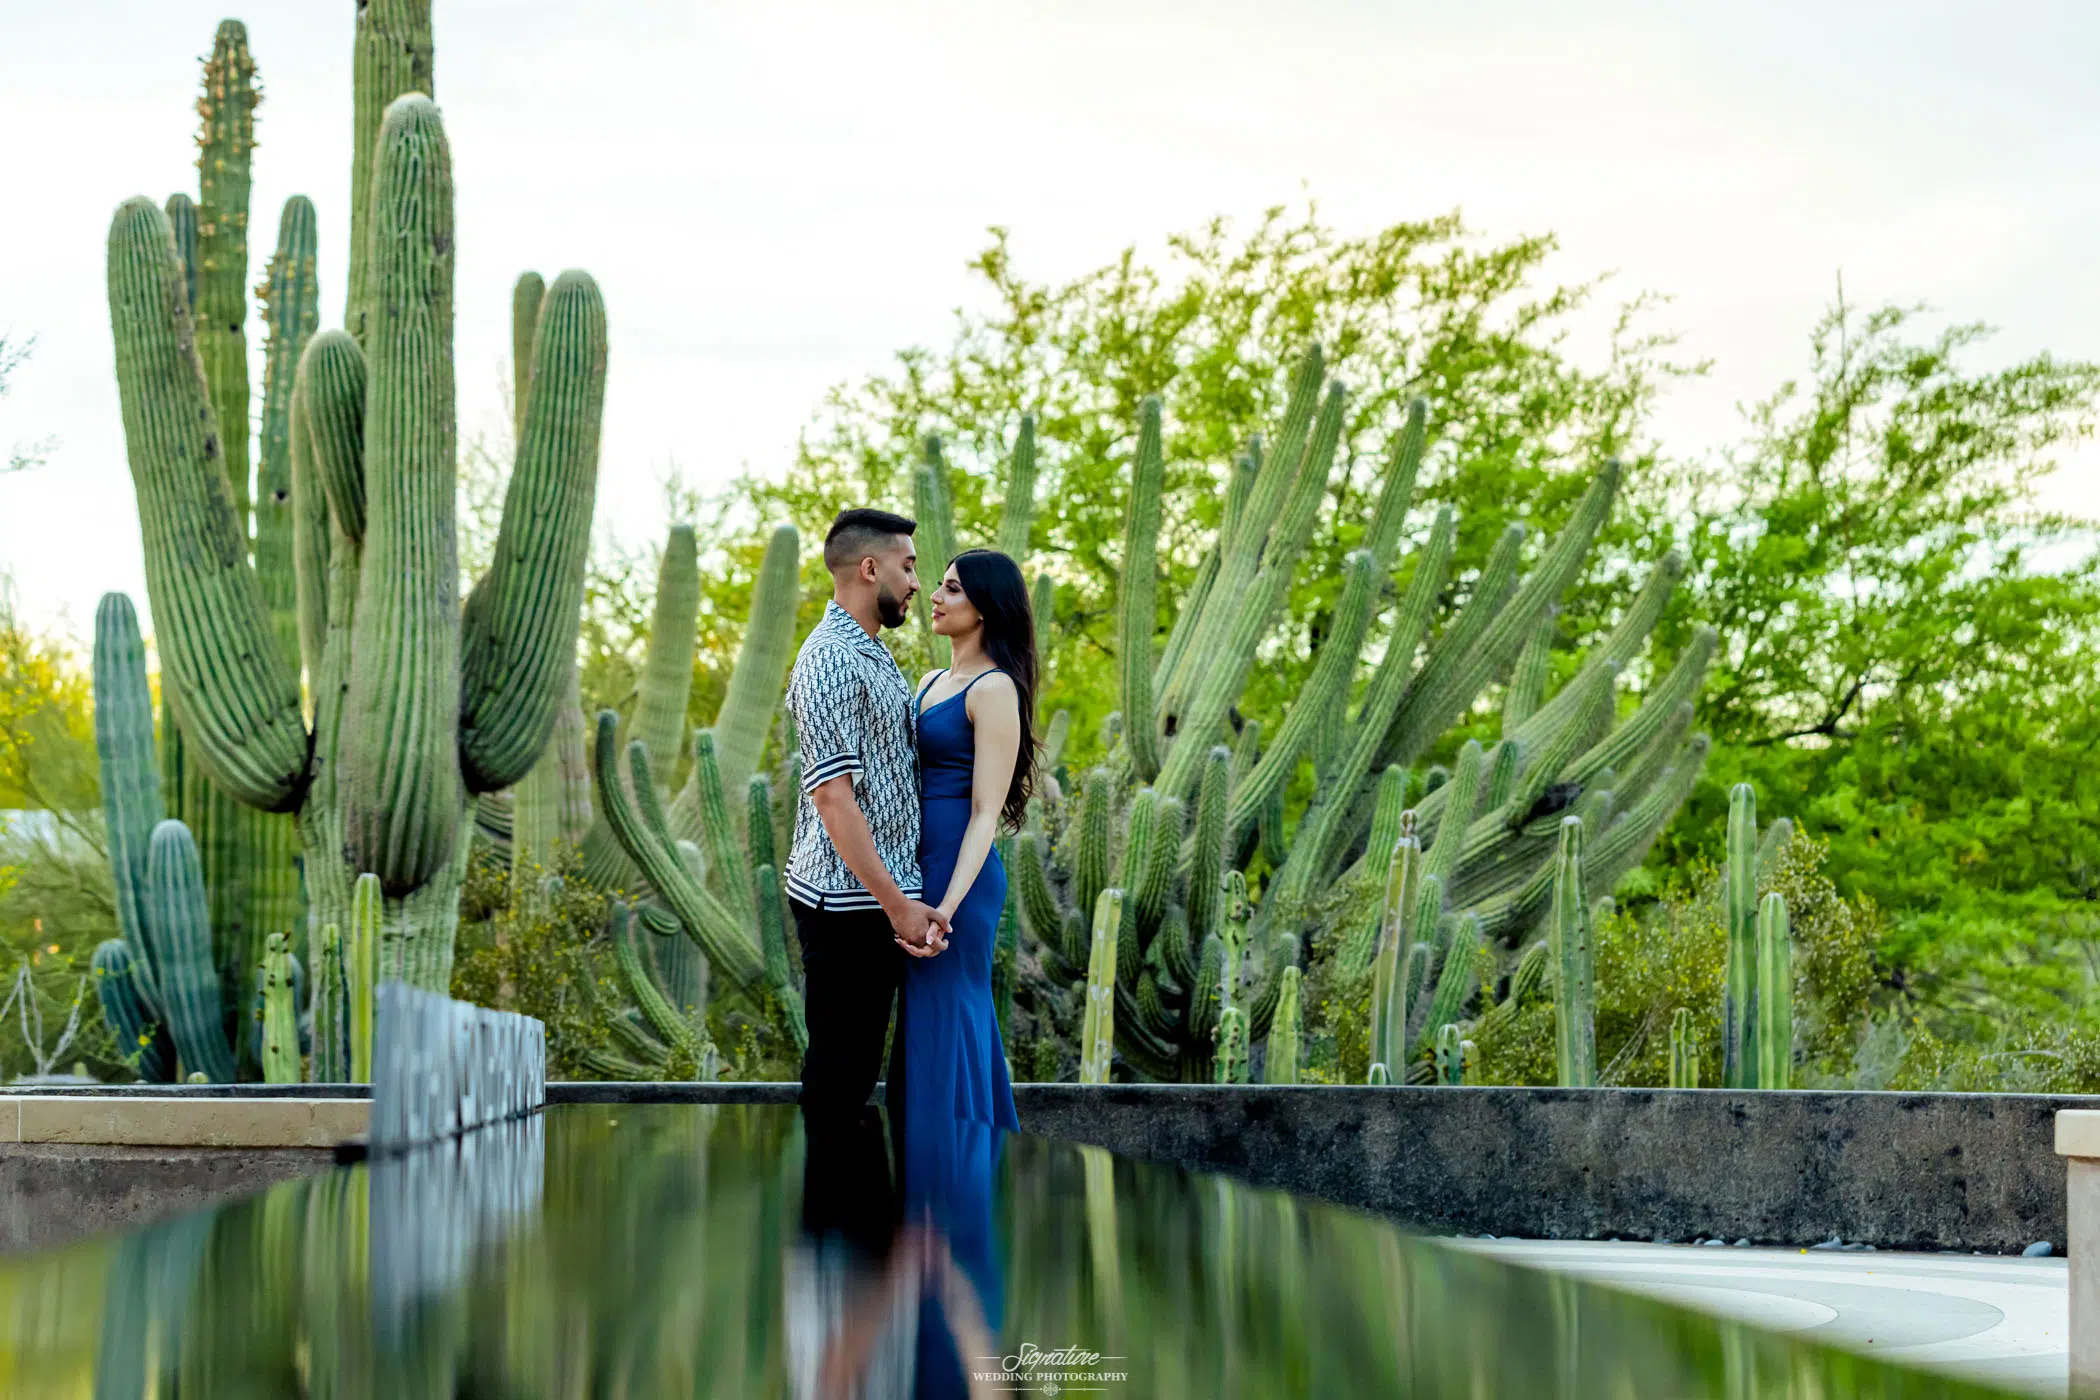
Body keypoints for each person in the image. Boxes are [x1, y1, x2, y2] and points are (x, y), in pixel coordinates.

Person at [784, 509, 949, 1125]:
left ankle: (853, 1214)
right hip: (846, 907)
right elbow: (833, 797)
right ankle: (825, 1219)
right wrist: (897, 906)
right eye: (908, 567)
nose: (916, 583)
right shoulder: (829, 658)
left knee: (858, 1071)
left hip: (875, 901)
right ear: (869, 567)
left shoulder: (872, 654)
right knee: (840, 1072)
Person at [896, 547, 1030, 1145]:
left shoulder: (995, 688)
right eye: (940, 585)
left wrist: (947, 909)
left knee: (951, 1011)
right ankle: (930, 1178)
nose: (935, 596)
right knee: (924, 1021)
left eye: (952, 588)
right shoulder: (928, 682)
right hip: (915, 866)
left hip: (961, 876)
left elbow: (985, 814)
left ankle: (955, 1175)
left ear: (985, 607)